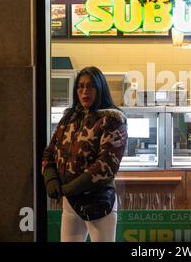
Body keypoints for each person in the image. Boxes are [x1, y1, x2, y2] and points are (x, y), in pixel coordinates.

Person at [42, 66, 128, 242]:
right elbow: (49, 152)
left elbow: (105, 166)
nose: (84, 91)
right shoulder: (69, 118)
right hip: (70, 205)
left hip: (98, 203)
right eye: (80, 87)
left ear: (100, 88)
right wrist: (51, 179)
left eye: (90, 86)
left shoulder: (112, 119)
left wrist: (68, 188)